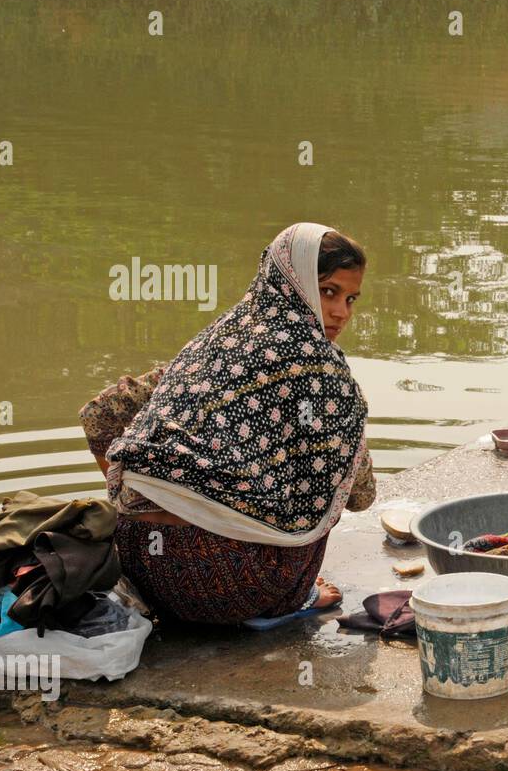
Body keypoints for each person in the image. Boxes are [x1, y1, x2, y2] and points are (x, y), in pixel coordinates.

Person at [79, 223, 375, 626]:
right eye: (328, 292)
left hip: (139, 567)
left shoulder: (216, 340)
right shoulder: (322, 367)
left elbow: (101, 413)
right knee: (328, 485)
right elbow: (360, 496)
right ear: (293, 283)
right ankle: (290, 597)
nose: (341, 312)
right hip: (232, 584)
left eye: (351, 298)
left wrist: (136, 502)